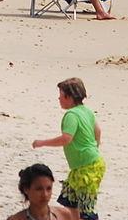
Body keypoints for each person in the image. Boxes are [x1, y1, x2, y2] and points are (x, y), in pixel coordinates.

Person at [31, 78, 104, 220]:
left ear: (69, 97)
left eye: (61, 95)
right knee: (69, 199)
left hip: (87, 168)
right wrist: (95, 147)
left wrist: (42, 143)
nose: (59, 98)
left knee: (86, 208)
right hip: (84, 166)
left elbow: (66, 139)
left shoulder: (71, 115)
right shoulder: (86, 111)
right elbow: (98, 131)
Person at [7, 164, 78, 220]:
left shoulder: (64, 215)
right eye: (39, 189)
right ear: (26, 189)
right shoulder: (15, 219)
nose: (45, 194)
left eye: (49, 188)